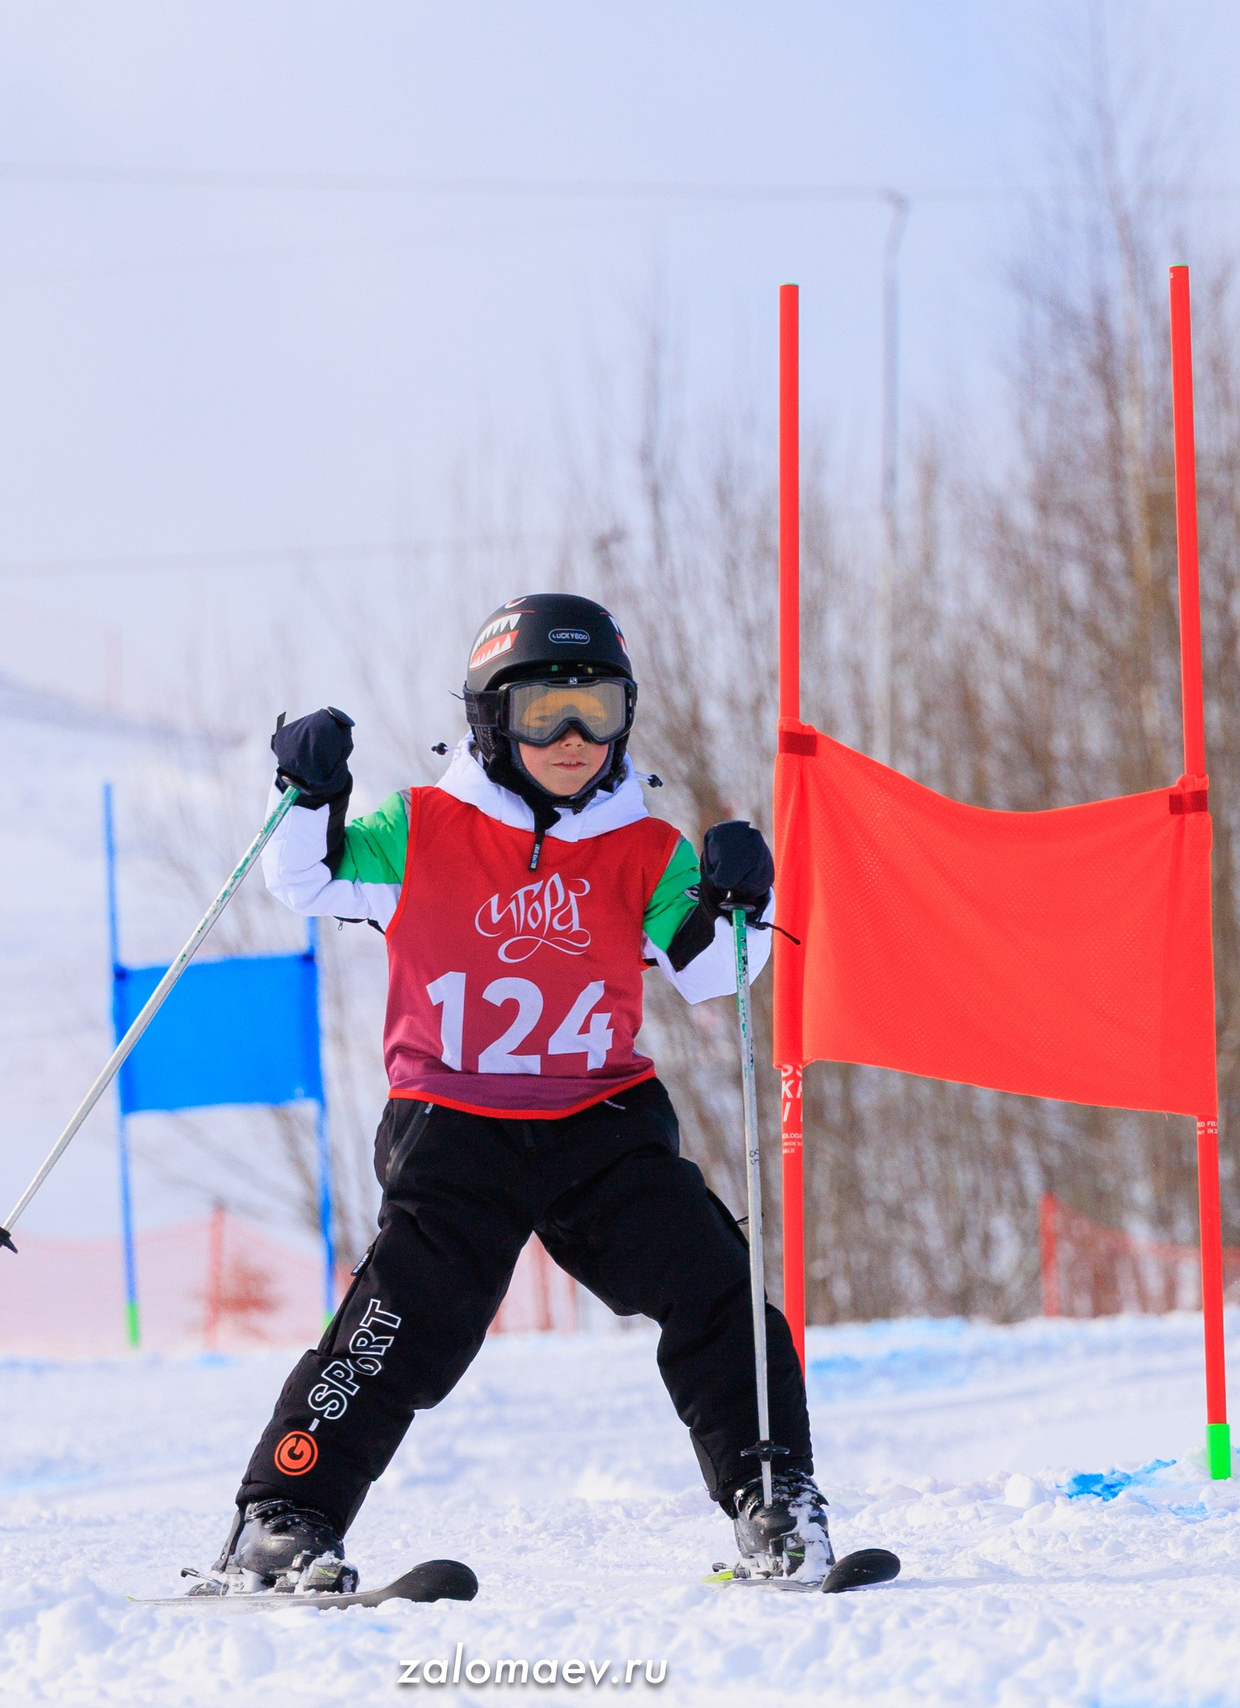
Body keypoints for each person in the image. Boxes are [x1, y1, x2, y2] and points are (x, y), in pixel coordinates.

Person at [202, 592, 825, 1595]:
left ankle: (775, 1497)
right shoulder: (423, 826)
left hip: (600, 1125)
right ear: (493, 719)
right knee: (402, 1322)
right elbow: (305, 880)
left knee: (713, 1281)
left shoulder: (644, 847)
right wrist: (310, 792)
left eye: (598, 710)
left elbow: (716, 971)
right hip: (454, 1126)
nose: (574, 738)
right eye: (544, 713)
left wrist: (740, 900)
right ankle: (283, 1515)